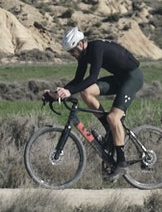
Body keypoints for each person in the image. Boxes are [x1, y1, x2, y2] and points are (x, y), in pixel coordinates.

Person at [47, 27, 143, 181]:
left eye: (72, 51)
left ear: (80, 45)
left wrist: (69, 92)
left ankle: (122, 163)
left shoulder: (97, 48)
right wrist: (56, 94)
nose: (72, 55)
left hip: (132, 78)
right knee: (86, 93)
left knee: (114, 118)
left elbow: (92, 78)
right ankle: (110, 131)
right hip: (119, 78)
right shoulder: (83, 56)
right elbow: (78, 80)